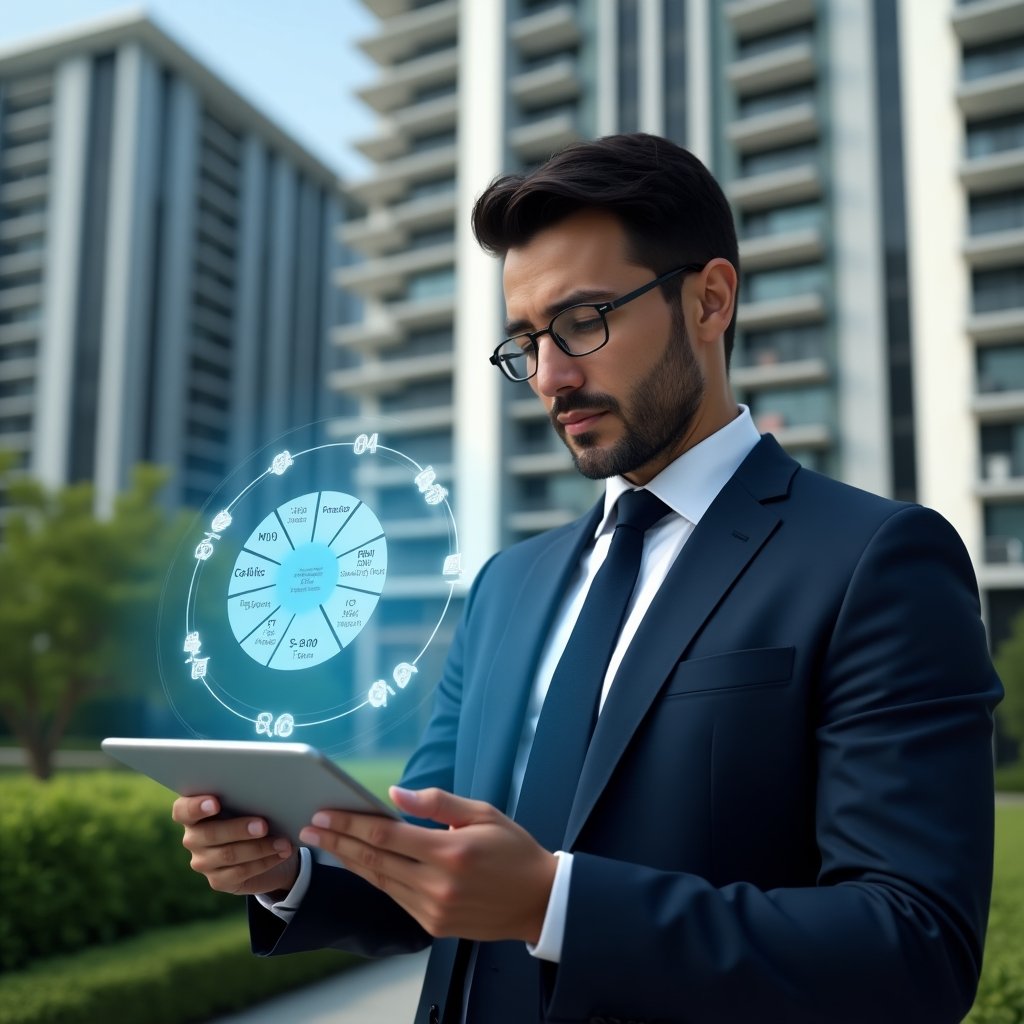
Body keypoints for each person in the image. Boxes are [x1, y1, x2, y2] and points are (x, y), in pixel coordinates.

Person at [174, 133, 1002, 1024]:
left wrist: (552, 905)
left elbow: (915, 947)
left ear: (710, 301)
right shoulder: (507, 586)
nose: (550, 377)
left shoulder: (874, 559)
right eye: (525, 342)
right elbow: (438, 854)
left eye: (582, 322)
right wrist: (294, 871)